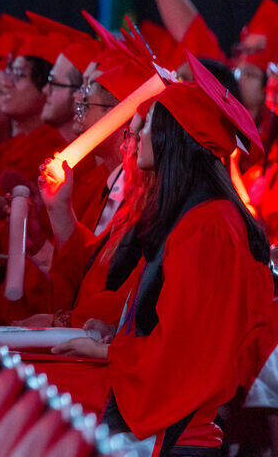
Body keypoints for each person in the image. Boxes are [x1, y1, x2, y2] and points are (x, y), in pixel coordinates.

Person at [51, 54, 274, 455]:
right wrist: (110, 331)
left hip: (173, 420)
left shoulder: (209, 227)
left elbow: (188, 352)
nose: (135, 131)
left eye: (148, 122)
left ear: (175, 137)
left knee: (38, 400)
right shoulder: (189, 215)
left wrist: (107, 350)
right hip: (149, 388)